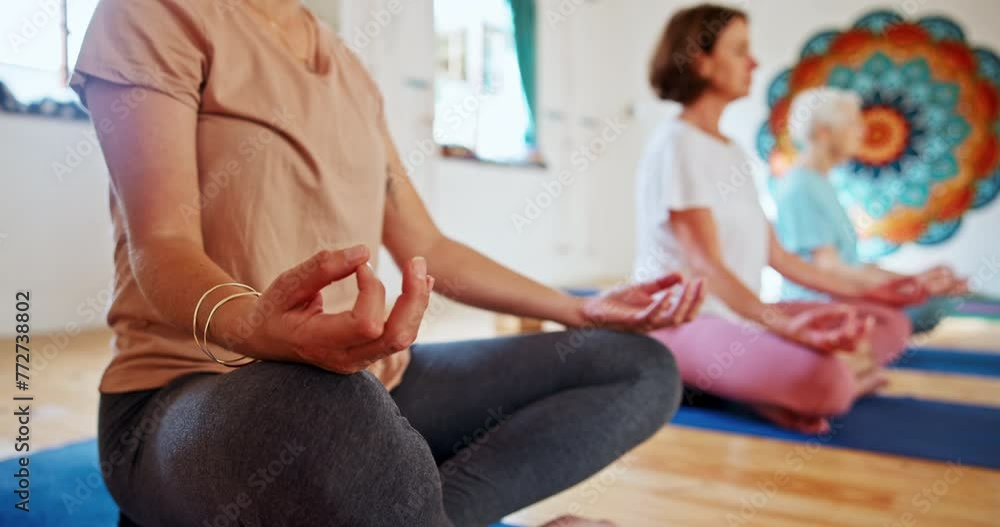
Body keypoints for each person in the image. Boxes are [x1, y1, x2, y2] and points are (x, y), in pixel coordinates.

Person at [71, 1, 706, 526]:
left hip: (359, 387)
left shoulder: (349, 71)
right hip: (185, 399)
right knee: (334, 413)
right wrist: (262, 330)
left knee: (638, 368)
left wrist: (579, 308)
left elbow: (429, 246)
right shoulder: (155, 13)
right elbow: (161, 245)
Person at [633, 4, 927, 434]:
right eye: (740, 51)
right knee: (827, 381)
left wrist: (880, 292)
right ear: (701, 61)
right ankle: (804, 383)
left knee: (888, 323)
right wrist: (787, 327)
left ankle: (773, 385)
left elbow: (780, 257)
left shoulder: (732, 152)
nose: (754, 62)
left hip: (740, 316)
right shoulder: (676, 144)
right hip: (684, 324)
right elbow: (706, 269)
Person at [774, 87, 970, 334]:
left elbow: (851, 264)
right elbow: (829, 269)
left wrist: (917, 281)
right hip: (825, 311)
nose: (862, 131)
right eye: (853, 124)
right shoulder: (800, 186)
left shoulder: (818, 182)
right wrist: (914, 288)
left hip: (846, 301)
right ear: (824, 132)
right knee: (953, 309)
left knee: (965, 300)